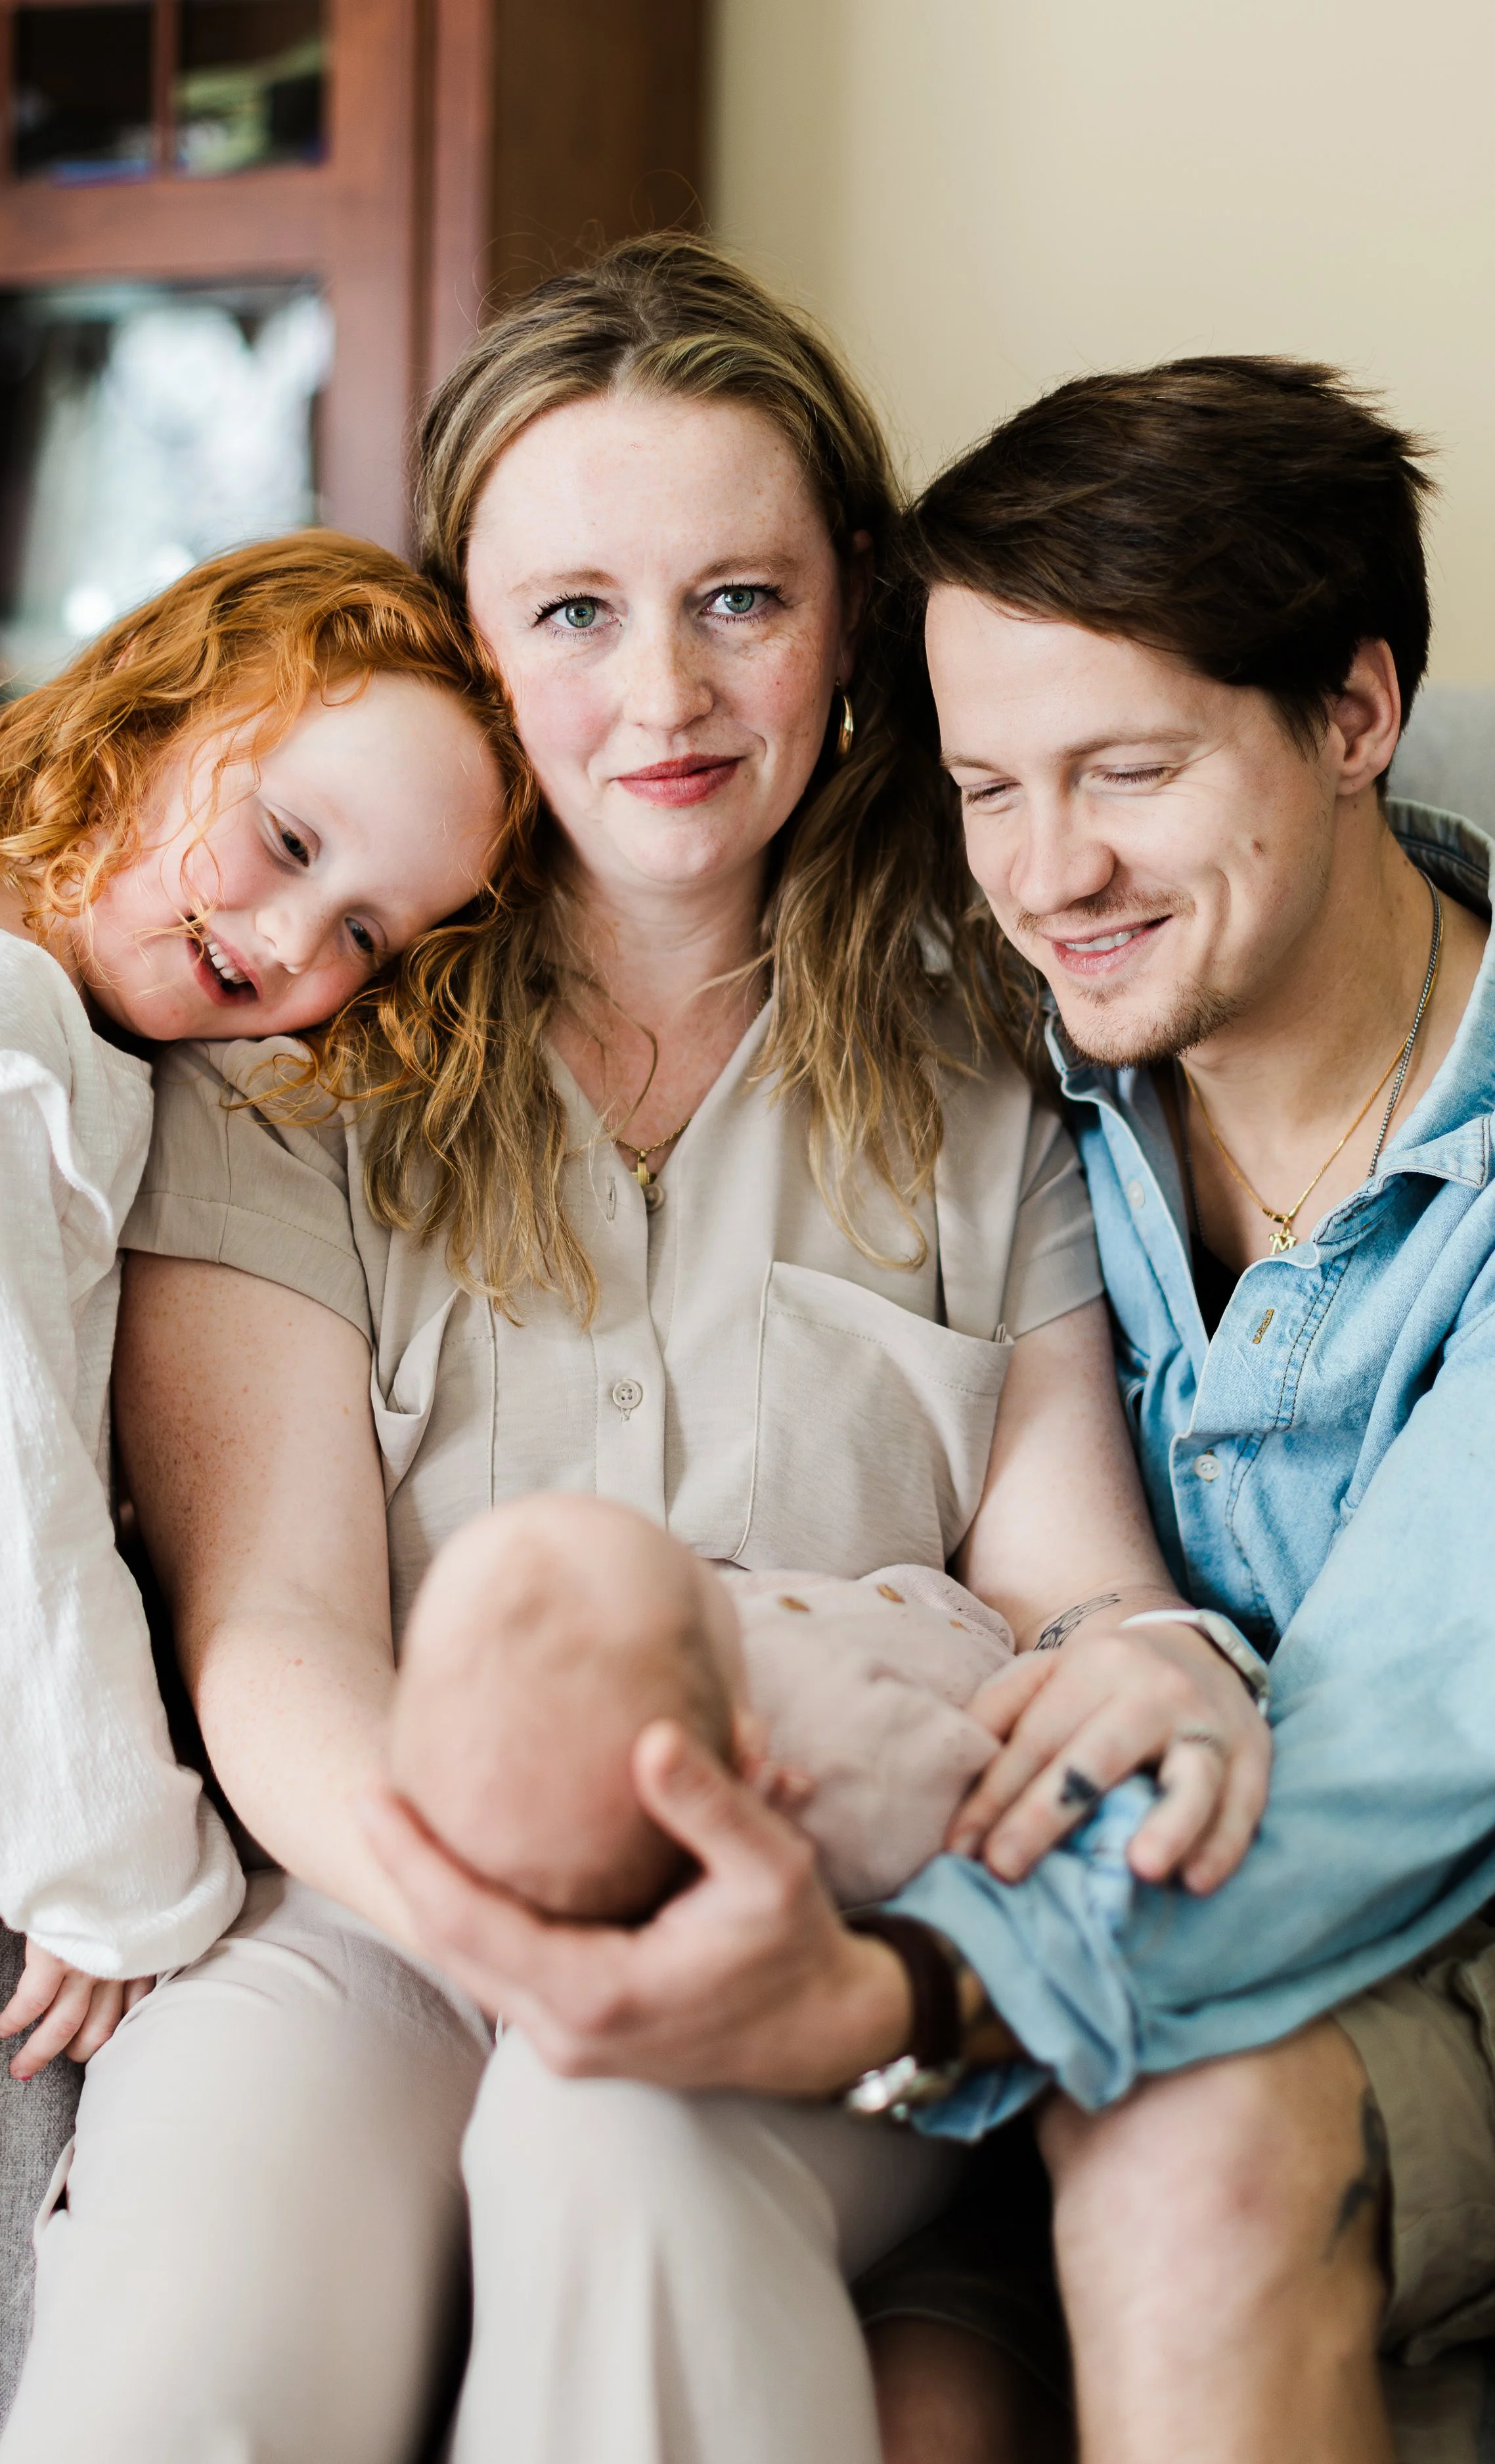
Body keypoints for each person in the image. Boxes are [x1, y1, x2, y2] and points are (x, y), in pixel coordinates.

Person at [0, 237, 1271, 2464]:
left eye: (739, 601)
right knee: (194, 2323)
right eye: (574, 610)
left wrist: (1156, 1655)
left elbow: (1067, 1549)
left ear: (851, 609)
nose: (661, 695)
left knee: (628, 2143)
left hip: (831, 1879)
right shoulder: (305, 1061)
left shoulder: (1001, 1048)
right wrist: (489, 1914)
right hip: (382, 1889)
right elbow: (277, 1632)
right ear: (476, 641)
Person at [369, 352, 1495, 2464]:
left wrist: (907, 1989)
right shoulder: (1030, 1052)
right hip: (1083, 1882)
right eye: (989, 787)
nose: (1048, 870)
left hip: (1424, 1891)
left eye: (1127, 772)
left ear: (1351, 716)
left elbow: (1381, 1765)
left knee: (1189, 2154)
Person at [0, 528, 520, 2464]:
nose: (300, 955)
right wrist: (128, 1876)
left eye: (370, 937)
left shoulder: (56, 1050)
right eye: (293, 843)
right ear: (158, 705)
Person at [390, 1494, 1014, 1921]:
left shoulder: (672, 1674)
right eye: (696, 1583)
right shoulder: (865, 1758)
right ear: (747, 1751)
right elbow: (1000, 1768)